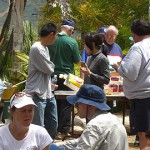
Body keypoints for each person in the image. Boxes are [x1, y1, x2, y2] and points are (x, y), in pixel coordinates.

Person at [50, 84, 128, 150]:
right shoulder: (114, 119)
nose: (75, 106)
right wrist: (57, 146)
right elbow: (81, 141)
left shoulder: (94, 125)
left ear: (90, 106)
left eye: (78, 103)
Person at [114, 19, 150, 150]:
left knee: (145, 136)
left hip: (143, 98)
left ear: (134, 34)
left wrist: (118, 67)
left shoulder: (138, 47)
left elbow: (130, 73)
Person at [48, 19, 81, 139]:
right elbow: (77, 61)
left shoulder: (51, 40)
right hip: (67, 77)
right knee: (66, 103)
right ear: (71, 29)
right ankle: (63, 130)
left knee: (53, 102)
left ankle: (53, 129)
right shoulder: (72, 42)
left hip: (52, 76)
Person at [25, 22, 58, 139]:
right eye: (56, 36)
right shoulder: (37, 48)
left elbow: (47, 70)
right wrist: (51, 67)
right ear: (51, 34)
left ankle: (49, 145)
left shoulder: (45, 48)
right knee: (38, 127)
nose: (55, 38)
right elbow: (49, 68)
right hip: (37, 93)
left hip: (48, 93)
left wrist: (50, 84)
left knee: (53, 124)